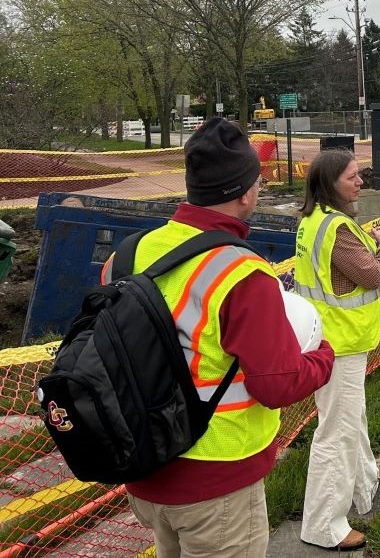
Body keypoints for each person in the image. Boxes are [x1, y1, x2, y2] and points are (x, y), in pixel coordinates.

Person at [113, 118, 334, 558]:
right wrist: (324, 357)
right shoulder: (243, 274)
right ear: (246, 191)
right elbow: (276, 384)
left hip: (142, 465)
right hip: (216, 481)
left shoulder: (132, 251)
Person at [295, 148, 380, 551]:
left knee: (350, 418)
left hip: (328, 338)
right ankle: (324, 524)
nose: (360, 182)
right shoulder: (337, 229)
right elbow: (372, 275)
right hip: (341, 342)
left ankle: (365, 482)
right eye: (352, 177)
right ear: (330, 184)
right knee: (336, 432)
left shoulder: (311, 221)